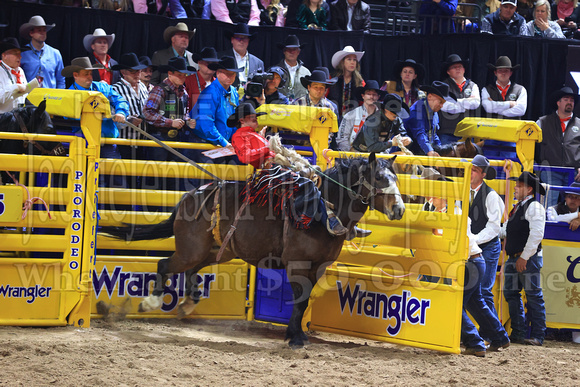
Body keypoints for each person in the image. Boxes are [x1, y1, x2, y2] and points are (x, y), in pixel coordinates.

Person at [229, 103, 349, 236]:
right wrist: (268, 147)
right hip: (270, 171)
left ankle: (335, 221)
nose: (256, 120)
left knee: (320, 177)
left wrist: (265, 142)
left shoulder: (253, 135)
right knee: (308, 183)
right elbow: (245, 156)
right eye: (252, 118)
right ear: (242, 120)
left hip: (277, 168)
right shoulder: (239, 136)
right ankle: (331, 222)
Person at [63, 57, 129, 187]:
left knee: (117, 181)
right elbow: (69, 118)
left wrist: (121, 112)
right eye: (86, 74)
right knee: (88, 182)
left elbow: (120, 100)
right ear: (75, 75)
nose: (90, 77)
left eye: (90, 73)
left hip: (108, 143)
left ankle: (119, 206)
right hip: (83, 145)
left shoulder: (102, 87)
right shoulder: (68, 96)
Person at [501, 171, 547, 346]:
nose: (515, 187)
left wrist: (524, 257)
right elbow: (506, 230)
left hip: (525, 259)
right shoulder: (520, 207)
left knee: (532, 295)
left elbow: (537, 235)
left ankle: (537, 335)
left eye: (519, 185)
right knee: (514, 294)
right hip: (518, 258)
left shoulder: (533, 207)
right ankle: (520, 333)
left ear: (528, 189)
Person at [143, 57, 197, 190]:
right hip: (159, 138)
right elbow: (147, 113)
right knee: (157, 176)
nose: (183, 78)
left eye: (184, 75)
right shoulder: (159, 90)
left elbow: (185, 112)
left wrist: (187, 121)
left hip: (176, 139)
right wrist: (169, 122)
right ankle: (153, 208)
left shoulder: (183, 92)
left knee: (175, 176)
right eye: (179, 75)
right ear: (170, 74)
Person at [467, 155, 504, 320]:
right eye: (470, 169)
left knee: (484, 290)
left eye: (475, 170)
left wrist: (473, 239)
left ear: (483, 174)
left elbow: (494, 227)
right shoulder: (464, 191)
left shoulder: (491, 195)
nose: (471, 173)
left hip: (488, 246)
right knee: (475, 290)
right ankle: (492, 332)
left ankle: (494, 332)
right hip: (472, 245)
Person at [190, 56, 242, 157]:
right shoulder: (208, 93)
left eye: (233, 74)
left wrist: (234, 140)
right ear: (218, 73)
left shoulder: (234, 92)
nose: (230, 76)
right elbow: (205, 124)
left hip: (225, 144)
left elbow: (236, 118)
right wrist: (224, 142)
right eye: (227, 73)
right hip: (205, 143)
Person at [536, 86, 580, 205]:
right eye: (566, 99)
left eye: (572, 100)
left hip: (573, 172)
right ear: (558, 102)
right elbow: (531, 143)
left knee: (573, 205)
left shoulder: (579, 124)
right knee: (549, 205)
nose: (569, 102)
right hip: (550, 170)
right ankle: (548, 224)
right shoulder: (543, 122)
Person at [481, 56, 527, 159]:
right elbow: (488, 108)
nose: (503, 73)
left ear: (511, 73)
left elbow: (521, 110)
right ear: (495, 73)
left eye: (506, 71)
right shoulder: (486, 89)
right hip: (491, 134)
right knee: (489, 167)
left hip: (511, 135)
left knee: (509, 167)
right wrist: (509, 104)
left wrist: (496, 107)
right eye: (500, 70)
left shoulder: (520, 89)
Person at [111, 53, 149, 164]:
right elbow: (112, 117)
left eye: (139, 71)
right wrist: (128, 121)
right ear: (123, 72)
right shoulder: (115, 89)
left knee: (141, 174)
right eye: (133, 71)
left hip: (143, 141)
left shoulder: (142, 86)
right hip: (124, 141)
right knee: (126, 174)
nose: (137, 74)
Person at [403, 81, 456, 156]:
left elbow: (434, 134)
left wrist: (440, 149)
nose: (441, 106)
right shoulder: (416, 111)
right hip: (408, 153)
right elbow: (420, 134)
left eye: (443, 103)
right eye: (440, 101)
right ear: (430, 96)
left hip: (421, 151)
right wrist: (429, 151)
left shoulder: (434, 112)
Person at [438, 54, 481, 145]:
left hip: (468, 132)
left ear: (464, 70)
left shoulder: (473, 85)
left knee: (467, 159)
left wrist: (454, 101)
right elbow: (445, 106)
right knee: (447, 159)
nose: (458, 69)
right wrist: (467, 103)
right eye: (454, 67)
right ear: (448, 72)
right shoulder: (443, 86)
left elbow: (475, 104)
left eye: (460, 66)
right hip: (448, 132)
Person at [19, 15, 65, 89]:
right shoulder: (23, 53)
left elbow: (61, 80)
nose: (43, 33)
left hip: (51, 97)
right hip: (29, 97)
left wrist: (58, 97)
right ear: (31, 33)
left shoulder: (55, 53)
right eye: (39, 30)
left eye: (44, 30)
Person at [336, 80, 384, 151]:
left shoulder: (384, 118)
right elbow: (342, 139)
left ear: (378, 97)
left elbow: (387, 141)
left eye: (374, 94)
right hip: (353, 157)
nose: (371, 97)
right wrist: (351, 155)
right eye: (368, 94)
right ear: (363, 96)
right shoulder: (350, 116)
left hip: (376, 158)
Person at [219, 23, 265, 89]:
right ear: (232, 40)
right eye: (238, 38)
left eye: (245, 38)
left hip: (249, 97)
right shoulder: (221, 58)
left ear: (248, 41)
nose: (241, 41)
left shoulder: (258, 63)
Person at [0, 38, 38, 114]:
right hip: (4, 119)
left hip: (20, 117)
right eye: (15, 53)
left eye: (19, 54)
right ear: (4, 56)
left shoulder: (20, 70)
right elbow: (1, 98)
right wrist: (16, 87)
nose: (20, 57)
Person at [327, 46, 365, 118]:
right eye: (349, 59)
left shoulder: (360, 81)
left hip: (353, 120)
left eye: (354, 60)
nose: (352, 62)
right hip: (333, 118)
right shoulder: (332, 78)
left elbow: (362, 103)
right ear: (342, 62)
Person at [276, 35, 311, 103]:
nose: (291, 52)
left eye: (294, 49)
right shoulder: (275, 71)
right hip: (280, 109)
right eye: (289, 49)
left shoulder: (306, 72)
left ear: (298, 52)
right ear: (284, 51)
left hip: (301, 109)